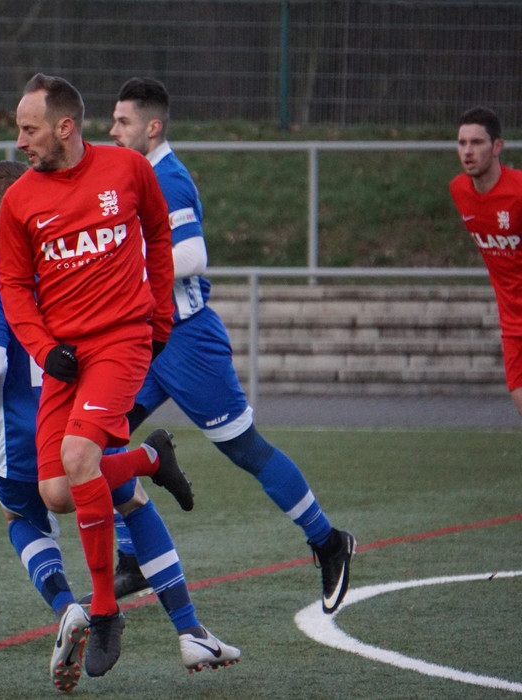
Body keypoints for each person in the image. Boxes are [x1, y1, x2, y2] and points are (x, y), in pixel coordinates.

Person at [0, 159, 238, 690]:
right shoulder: (64, 253)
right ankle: (188, 627)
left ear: (11, 211)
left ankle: (72, 607)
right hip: (84, 405)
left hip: (27, 426)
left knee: (22, 511)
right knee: (126, 497)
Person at [0, 73, 219, 678]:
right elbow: (12, 285)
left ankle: (104, 610)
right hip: (63, 358)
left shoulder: (127, 169)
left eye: (30, 130)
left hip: (121, 342)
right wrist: (43, 349)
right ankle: (150, 458)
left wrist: (160, 318)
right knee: (56, 493)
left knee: (77, 458)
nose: (20, 142)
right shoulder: (19, 200)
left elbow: (159, 235)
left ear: (65, 127)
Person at [107, 77, 356, 615]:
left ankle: (328, 540)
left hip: (187, 341)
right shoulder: (133, 177)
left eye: (123, 121)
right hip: (144, 340)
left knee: (245, 449)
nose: (112, 130)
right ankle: (132, 558)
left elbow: (193, 256)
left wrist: (127, 272)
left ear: (153, 127)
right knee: (99, 438)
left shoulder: (169, 179)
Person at [450, 107, 522, 418]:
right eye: (462, 143)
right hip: (512, 322)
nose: (468, 151)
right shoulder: (459, 190)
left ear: (497, 147)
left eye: (477, 142)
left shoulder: (518, 192)